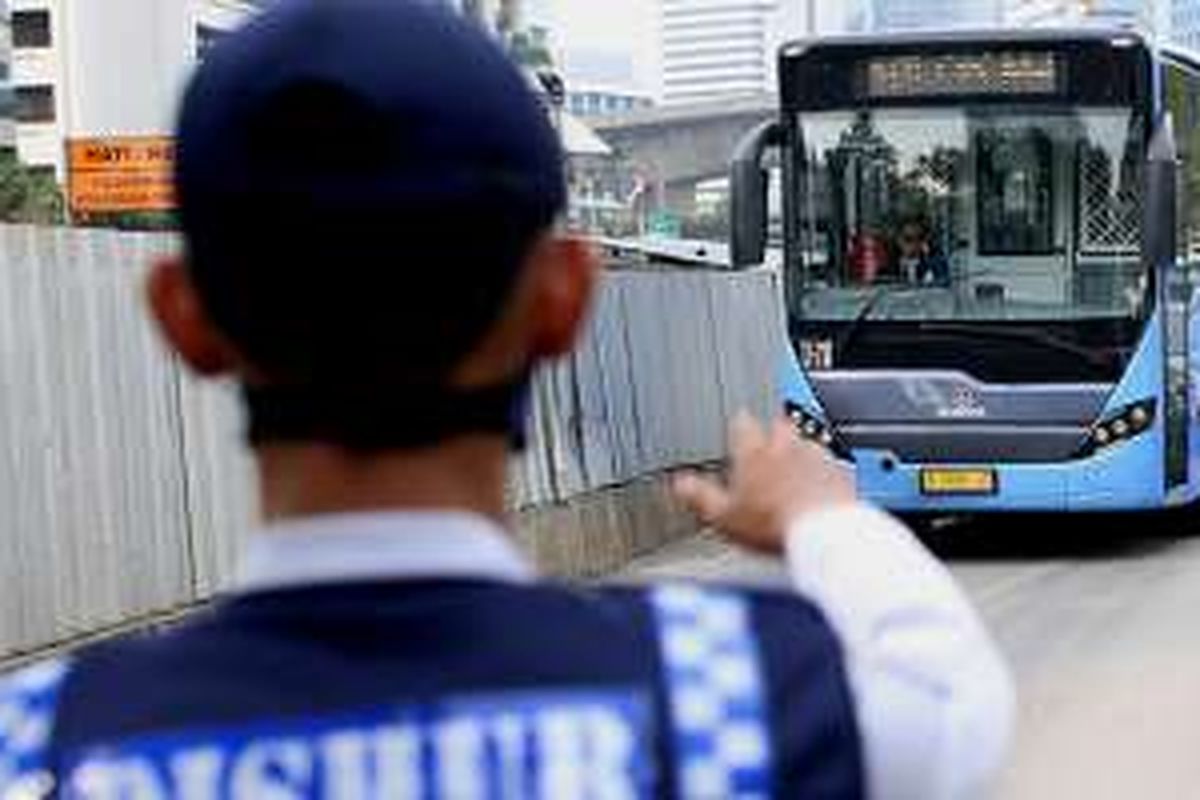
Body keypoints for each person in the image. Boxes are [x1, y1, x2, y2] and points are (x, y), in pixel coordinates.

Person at [0, 2, 1014, 798]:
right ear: (566, 299)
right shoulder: (738, 701)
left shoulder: (42, 748)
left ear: (184, 317)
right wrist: (822, 517)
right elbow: (947, 689)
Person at [894, 218, 951, 287]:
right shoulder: (891, 264)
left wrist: (929, 256)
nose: (915, 244)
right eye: (908, 239)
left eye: (920, 238)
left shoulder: (932, 263)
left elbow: (943, 283)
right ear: (898, 240)